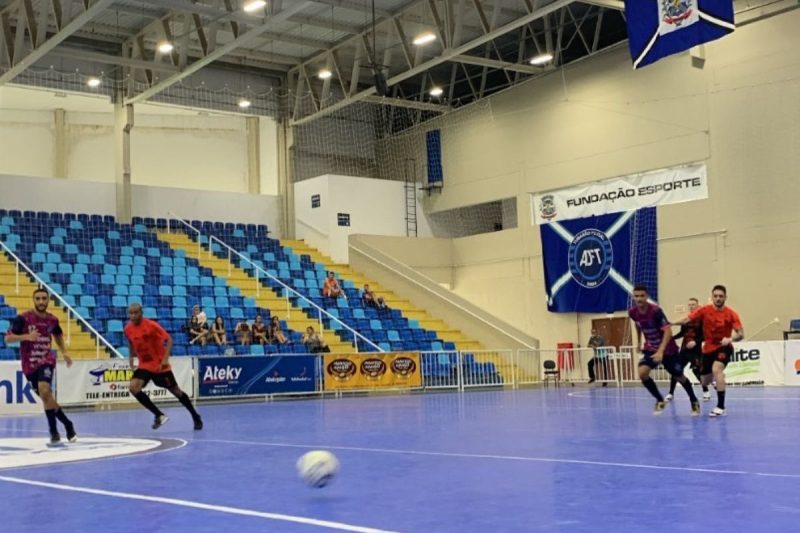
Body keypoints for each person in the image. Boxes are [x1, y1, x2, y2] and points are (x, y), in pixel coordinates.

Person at [5, 288, 77, 445]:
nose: (41, 302)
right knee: (47, 398)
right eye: (38, 299)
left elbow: (58, 335)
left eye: (44, 298)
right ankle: (67, 423)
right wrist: (26, 337)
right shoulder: (23, 318)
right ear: (33, 300)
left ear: (48, 300)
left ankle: (54, 431)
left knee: (45, 390)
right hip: (29, 365)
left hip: (46, 360)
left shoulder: (53, 320)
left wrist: (64, 352)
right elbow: (8, 339)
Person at [124, 303, 203, 430]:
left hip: (160, 365)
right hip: (144, 365)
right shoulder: (128, 328)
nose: (132, 316)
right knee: (133, 387)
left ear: (141, 313)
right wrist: (131, 357)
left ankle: (195, 415)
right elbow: (130, 342)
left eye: (135, 313)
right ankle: (158, 415)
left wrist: (165, 359)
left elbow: (169, 340)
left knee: (176, 392)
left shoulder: (151, 326)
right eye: (130, 313)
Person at [629, 285, 700, 416]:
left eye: (642, 296)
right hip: (650, 348)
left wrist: (661, 351)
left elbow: (668, 331)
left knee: (679, 376)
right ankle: (660, 399)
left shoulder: (655, 311)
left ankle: (694, 400)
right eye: (636, 296)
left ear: (647, 296)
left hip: (668, 349)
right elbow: (637, 324)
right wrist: (638, 342)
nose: (639, 299)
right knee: (642, 373)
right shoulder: (633, 313)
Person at [675, 285, 744, 417]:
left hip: (724, 347)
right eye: (716, 296)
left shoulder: (731, 314)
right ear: (712, 297)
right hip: (707, 350)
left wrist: (730, 339)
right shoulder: (704, 310)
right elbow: (687, 319)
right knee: (704, 381)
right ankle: (716, 380)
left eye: (721, 296)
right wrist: (671, 323)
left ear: (725, 297)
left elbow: (741, 334)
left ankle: (720, 406)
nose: (718, 298)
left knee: (717, 369)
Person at [667, 297, 709, 402]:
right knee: (676, 370)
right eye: (689, 305)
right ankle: (671, 393)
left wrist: (695, 342)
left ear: (697, 306)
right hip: (684, 350)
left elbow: (705, 335)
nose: (691, 306)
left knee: (697, 371)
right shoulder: (686, 320)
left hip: (696, 352)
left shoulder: (702, 319)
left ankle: (706, 391)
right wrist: (671, 338)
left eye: (693, 304)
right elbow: (682, 333)